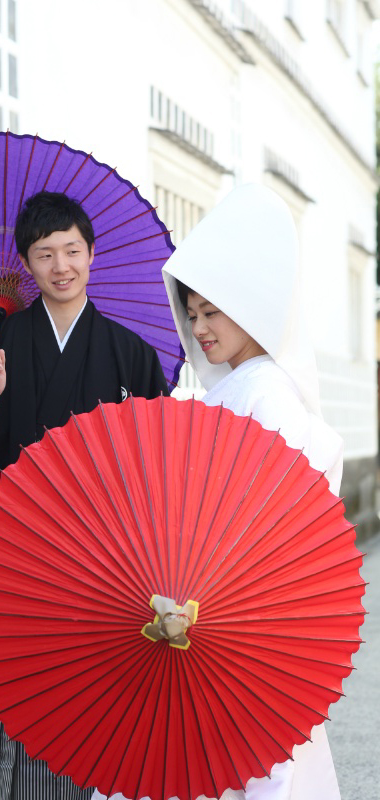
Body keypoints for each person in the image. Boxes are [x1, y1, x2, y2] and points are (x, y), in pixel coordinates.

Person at [0, 190, 169, 800]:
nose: (62, 266)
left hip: (102, 569)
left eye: (72, 250)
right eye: (45, 253)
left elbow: (157, 468)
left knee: (92, 721)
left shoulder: (131, 355)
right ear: (27, 264)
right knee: (13, 715)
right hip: (11, 564)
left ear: (91, 254)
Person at [158, 183, 342, 800]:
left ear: (249, 307)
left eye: (212, 311)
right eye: (192, 313)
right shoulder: (238, 389)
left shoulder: (265, 394)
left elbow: (267, 525)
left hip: (244, 617)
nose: (198, 327)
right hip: (221, 610)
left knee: (252, 763)